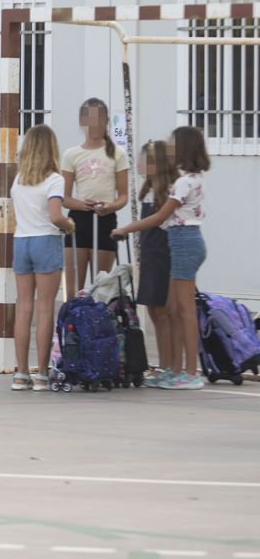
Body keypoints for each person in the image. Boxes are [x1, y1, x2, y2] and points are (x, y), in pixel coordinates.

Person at [112, 126, 209, 390]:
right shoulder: (189, 179)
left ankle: (189, 372)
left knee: (184, 310)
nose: (169, 148)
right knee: (177, 310)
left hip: (184, 242)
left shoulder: (183, 182)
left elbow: (158, 218)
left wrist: (124, 229)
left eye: (173, 144)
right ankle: (177, 369)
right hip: (182, 242)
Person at [9, 125, 75, 392]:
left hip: (21, 241)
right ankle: (42, 374)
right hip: (45, 240)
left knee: (24, 307)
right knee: (45, 307)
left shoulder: (19, 179)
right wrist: (69, 225)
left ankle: (21, 373)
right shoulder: (54, 180)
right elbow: (56, 215)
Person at [62, 97, 129, 298]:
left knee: (101, 287)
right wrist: (82, 205)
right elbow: (64, 197)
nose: (94, 125)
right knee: (75, 288)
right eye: (89, 119)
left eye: (98, 119)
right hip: (78, 220)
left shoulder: (118, 153)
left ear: (106, 120)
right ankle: (73, 326)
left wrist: (109, 206)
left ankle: (99, 326)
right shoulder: (71, 154)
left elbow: (123, 196)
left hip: (105, 220)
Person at [131, 140, 177, 387]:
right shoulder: (148, 191)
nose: (138, 165)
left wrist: (126, 229)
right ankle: (162, 364)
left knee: (164, 312)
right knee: (153, 310)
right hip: (150, 253)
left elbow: (158, 222)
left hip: (163, 253)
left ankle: (170, 365)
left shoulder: (169, 191)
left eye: (142, 160)